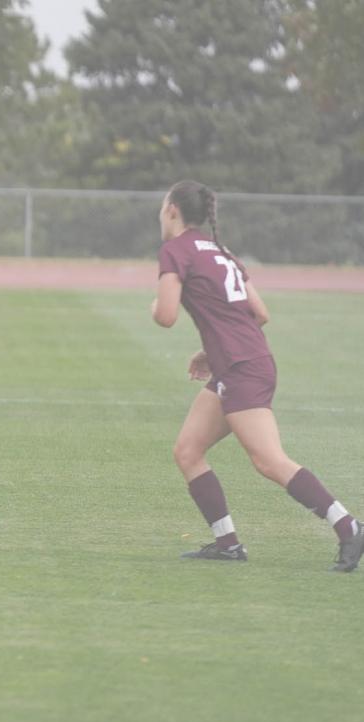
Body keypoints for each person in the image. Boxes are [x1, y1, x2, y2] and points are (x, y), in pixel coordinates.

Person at [152, 179, 364, 571]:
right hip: (242, 362)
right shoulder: (221, 251)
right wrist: (211, 351)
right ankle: (227, 543)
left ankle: (348, 525)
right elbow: (260, 313)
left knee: (268, 460)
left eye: (162, 205)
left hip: (242, 369)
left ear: (172, 211)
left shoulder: (176, 250)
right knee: (188, 450)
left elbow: (164, 317)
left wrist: (159, 304)